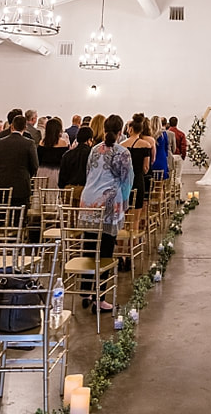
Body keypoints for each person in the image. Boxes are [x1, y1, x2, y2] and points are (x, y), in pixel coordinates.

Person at [80, 114, 133, 312]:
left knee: (89, 246)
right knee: (105, 251)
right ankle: (100, 298)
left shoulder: (94, 149)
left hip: (88, 200)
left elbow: (89, 173)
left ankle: (85, 290)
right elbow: (127, 181)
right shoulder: (122, 152)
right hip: (108, 201)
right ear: (121, 131)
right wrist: (125, 204)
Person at [0, 114, 38, 209]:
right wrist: (27, 175)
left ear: (12, 126)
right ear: (25, 127)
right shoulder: (29, 143)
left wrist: (0, 172)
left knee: (0, 214)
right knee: (19, 217)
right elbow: (34, 165)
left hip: (2, 183)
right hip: (21, 184)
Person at [121, 113, 154, 208]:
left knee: (125, 209)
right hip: (138, 179)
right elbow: (146, 167)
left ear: (130, 129)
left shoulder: (121, 145)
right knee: (136, 212)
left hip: (125, 180)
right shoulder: (146, 145)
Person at [59, 125, 94, 202]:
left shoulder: (67, 154)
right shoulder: (92, 154)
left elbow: (62, 177)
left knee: (68, 213)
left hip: (68, 191)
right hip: (86, 190)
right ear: (89, 140)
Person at [36, 116, 70, 188]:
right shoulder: (63, 143)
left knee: (40, 195)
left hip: (42, 172)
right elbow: (65, 161)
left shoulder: (42, 142)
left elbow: (38, 159)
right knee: (53, 196)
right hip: (56, 172)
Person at [151, 115, 170, 179]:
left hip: (152, 157)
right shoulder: (163, 134)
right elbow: (166, 147)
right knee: (162, 178)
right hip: (162, 157)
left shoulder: (149, 135)